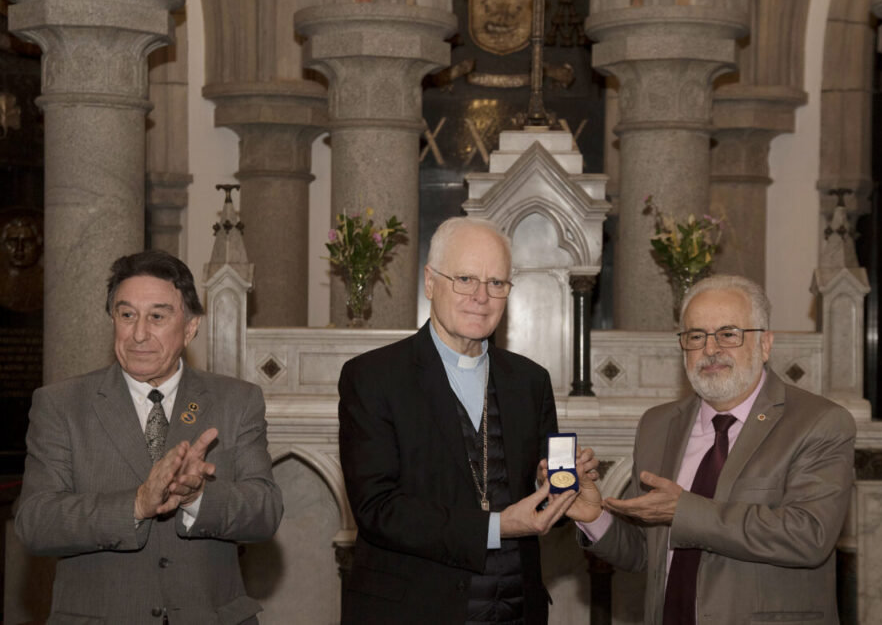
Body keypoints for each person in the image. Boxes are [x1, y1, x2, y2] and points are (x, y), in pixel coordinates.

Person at [337, 217, 595, 624]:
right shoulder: (373, 377)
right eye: (465, 279)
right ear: (430, 282)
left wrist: (555, 488)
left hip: (515, 610)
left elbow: (538, 501)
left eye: (496, 283)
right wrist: (497, 526)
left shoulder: (530, 381)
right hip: (414, 612)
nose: (481, 296)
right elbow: (378, 509)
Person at [16, 250, 284, 624]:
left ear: (190, 327)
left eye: (157, 317)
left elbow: (265, 511)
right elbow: (36, 522)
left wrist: (197, 497)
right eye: (127, 315)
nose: (139, 334)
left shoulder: (236, 401)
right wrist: (137, 505)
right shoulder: (61, 404)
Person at [573, 274, 856, 625]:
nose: (710, 349)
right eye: (696, 336)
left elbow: (809, 535)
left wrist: (684, 511)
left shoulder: (818, 422)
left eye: (728, 334)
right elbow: (645, 551)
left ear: (765, 344)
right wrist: (593, 516)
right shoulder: (657, 425)